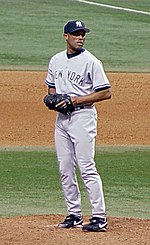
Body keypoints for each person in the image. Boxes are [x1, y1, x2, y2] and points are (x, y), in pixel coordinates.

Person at [44, 20, 111, 232]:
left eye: (82, 34)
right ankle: (74, 214)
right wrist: (52, 101)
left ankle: (99, 217)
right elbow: (51, 90)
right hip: (62, 120)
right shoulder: (55, 60)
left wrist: (75, 100)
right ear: (66, 36)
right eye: (76, 34)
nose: (80, 37)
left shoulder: (92, 61)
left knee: (86, 167)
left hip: (83, 118)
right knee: (65, 167)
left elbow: (105, 92)